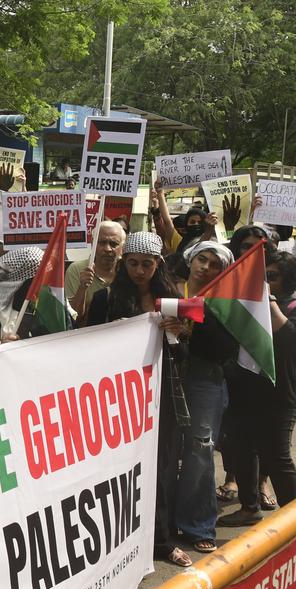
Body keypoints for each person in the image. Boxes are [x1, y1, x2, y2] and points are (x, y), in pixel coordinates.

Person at [86, 231, 194, 567]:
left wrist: (179, 333)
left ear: (158, 264)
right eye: (132, 263)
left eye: (146, 264)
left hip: (161, 397)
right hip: (119, 399)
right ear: (123, 263)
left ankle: (160, 541)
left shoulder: (174, 299)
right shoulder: (106, 299)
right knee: (120, 469)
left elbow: (187, 353)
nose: (139, 270)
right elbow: (87, 346)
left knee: (161, 468)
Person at [218, 250, 296, 527]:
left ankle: (293, 521)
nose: (263, 281)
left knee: (277, 456)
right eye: (261, 276)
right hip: (244, 394)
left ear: (288, 280)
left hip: (279, 399)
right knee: (242, 451)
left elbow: (289, 340)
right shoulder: (244, 307)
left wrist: (268, 303)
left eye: (270, 277)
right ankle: (250, 508)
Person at [171, 242, 239, 553]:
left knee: (199, 450)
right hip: (166, 377)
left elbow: (225, 349)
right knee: (165, 450)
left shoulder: (225, 304)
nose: (206, 267)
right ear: (191, 259)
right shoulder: (170, 288)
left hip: (204, 380)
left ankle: (197, 524)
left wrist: (189, 326)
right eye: (202, 259)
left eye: (214, 264)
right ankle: (164, 520)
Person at [66, 220, 126, 320]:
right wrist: (82, 288)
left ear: (122, 248)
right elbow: (74, 318)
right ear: (93, 244)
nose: (107, 249)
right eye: (102, 243)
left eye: (113, 244)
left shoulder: (128, 270)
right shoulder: (77, 269)